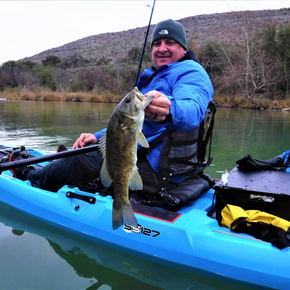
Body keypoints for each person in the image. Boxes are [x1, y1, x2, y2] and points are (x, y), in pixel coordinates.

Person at [11, 19, 214, 210]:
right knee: (89, 147)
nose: (162, 48)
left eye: (170, 42)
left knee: (82, 157)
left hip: (154, 170)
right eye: (157, 43)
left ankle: (32, 179)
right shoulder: (161, 75)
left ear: (184, 48)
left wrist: (171, 110)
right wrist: (97, 137)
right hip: (150, 160)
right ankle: (62, 169)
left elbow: (192, 108)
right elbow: (128, 125)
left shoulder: (191, 73)